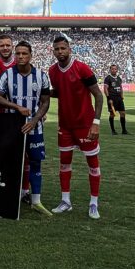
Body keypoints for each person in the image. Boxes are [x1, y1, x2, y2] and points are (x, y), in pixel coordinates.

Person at [0, 41, 52, 216]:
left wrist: (34, 120)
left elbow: (46, 101)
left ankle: (36, 201)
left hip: (34, 127)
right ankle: (10, 197)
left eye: (24, 53)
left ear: (31, 55)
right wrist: (16, 106)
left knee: (35, 162)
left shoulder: (41, 75)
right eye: (17, 53)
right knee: (10, 163)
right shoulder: (7, 74)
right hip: (12, 127)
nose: (20, 57)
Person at [48, 36, 104, 219]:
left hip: (85, 125)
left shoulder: (82, 68)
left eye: (63, 48)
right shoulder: (52, 71)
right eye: (57, 49)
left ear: (69, 49)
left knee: (93, 165)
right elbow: (59, 92)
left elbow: (98, 95)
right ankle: (66, 201)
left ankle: (94, 203)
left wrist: (95, 123)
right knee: (64, 163)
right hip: (65, 125)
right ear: (53, 51)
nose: (60, 52)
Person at [103, 64, 129, 135]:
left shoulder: (119, 78)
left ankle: (124, 130)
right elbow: (105, 89)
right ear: (110, 70)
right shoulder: (108, 78)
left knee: (123, 113)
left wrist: (122, 95)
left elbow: (120, 87)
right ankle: (113, 130)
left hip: (119, 98)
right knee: (112, 114)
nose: (114, 70)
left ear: (117, 70)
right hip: (112, 98)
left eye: (115, 69)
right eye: (112, 69)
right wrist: (108, 98)